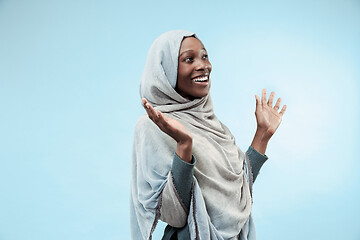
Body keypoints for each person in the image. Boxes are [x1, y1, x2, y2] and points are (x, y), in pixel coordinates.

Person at [130, 30, 286, 240]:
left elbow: (238, 193)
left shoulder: (214, 125)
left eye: (204, 56)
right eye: (188, 59)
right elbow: (174, 215)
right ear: (165, 70)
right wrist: (184, 145)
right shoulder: (153, 126)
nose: (203, 65)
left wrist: (263, 134)